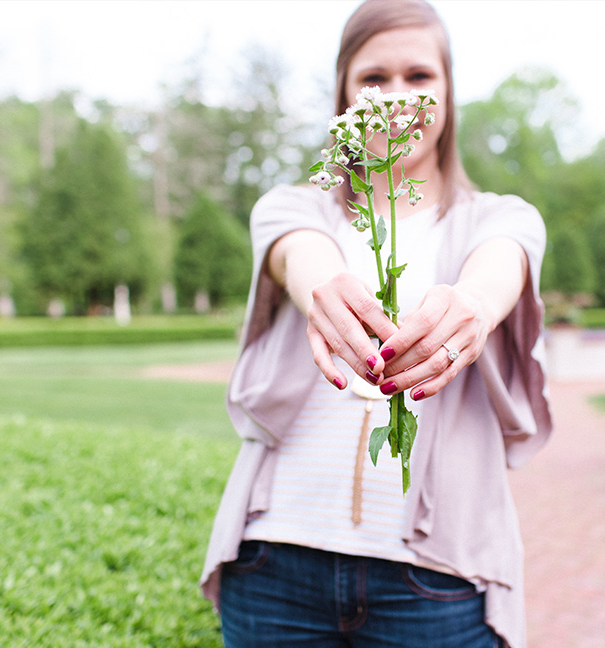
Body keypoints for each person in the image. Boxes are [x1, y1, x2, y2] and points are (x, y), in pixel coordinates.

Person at [200, 1, 552, 646]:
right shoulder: (293, 207)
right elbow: (300, 254)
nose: (396, 97)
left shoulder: (502, 218)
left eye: (419, 77)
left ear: (448, 93)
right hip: (275, 560)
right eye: (373, 79)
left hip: (435, 578)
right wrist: (323, 293)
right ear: (342, 93)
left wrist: (469, 311)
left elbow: (497, 273)